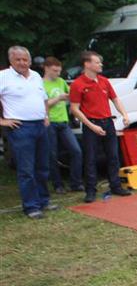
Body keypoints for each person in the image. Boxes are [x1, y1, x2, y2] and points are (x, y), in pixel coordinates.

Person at [69, 51, 132, 202]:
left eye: (100, 62)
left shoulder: (104, 81)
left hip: (107, 122)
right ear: (87, 64)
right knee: (90, 158)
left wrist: (124, 114)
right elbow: (75, 109)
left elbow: (115, 99)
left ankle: (115, 185)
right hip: (91, 123)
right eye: (97, 62)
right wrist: (91, 125)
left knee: (113, 156)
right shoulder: (78, 84)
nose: (100, 65)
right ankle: (90, 190)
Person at [0, 46, 55, 219]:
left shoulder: (36, 76)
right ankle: (31, 206)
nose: (22, 63)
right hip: (20, 127)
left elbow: (44, 98)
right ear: (11, 60)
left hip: (40, 125)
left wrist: (46, 115)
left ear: (30, 61)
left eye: (25, 59)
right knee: (26, 169)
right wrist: (2, 121)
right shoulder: (3, 77)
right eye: (18, 59)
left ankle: (44, 200)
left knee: (42, 166)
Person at [42, 56, 83, 193]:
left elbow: (71, 95)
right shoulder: (40, 84)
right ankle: (57, 184)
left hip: (64, 121)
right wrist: (59, 98)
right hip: (50, 122)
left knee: (76, 151)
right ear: (46, 68)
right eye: (55, 71)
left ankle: (75, 182)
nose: (58, 74)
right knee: (52, 154)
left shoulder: (61, 81)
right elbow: (43, 104)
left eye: (59, 71)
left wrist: (72, 101)